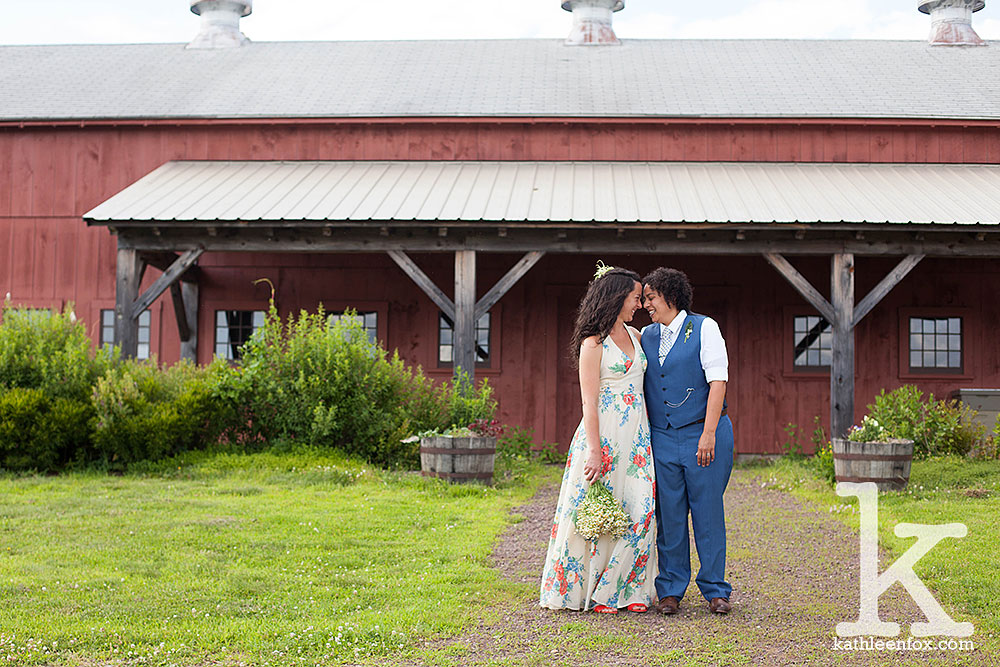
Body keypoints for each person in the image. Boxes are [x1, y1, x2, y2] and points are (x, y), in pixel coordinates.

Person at [540, 263, 657, 614]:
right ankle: (597, 592)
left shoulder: (637, 336)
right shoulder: (593, 344)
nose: (640, 304)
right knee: (599, 510)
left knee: (640, 509)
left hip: (637, 436)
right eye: (635, 297)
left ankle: (628, 589)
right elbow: (588, 401)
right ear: (617, 297)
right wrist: (594, 450)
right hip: (603, 435)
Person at [639, 267, 735, 616]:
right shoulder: (645, 335)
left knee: (708, 512)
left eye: (651, 297)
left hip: (703, 432)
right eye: (643, 298)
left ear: (671, 296)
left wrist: (708, 433)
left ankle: (715, 589)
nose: (646, 304)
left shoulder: (705, 327)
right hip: (662, 436)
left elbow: (718, 381)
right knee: (669, 516)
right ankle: (670, 588)